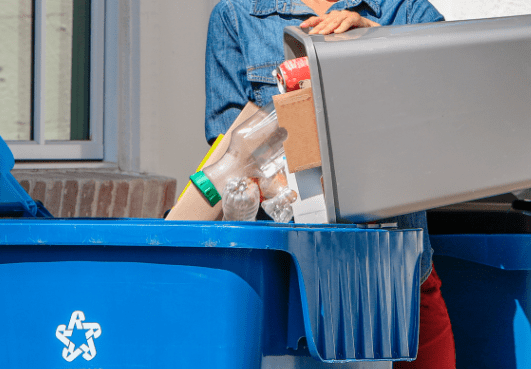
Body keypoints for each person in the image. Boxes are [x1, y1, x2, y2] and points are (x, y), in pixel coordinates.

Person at [204, 1, 455, 368]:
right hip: (292, 285)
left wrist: (375, 37)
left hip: (399, 279)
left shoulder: (401, 9)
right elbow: (227, 148)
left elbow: (456, 100)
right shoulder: (237, 15)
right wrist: (288, 186)